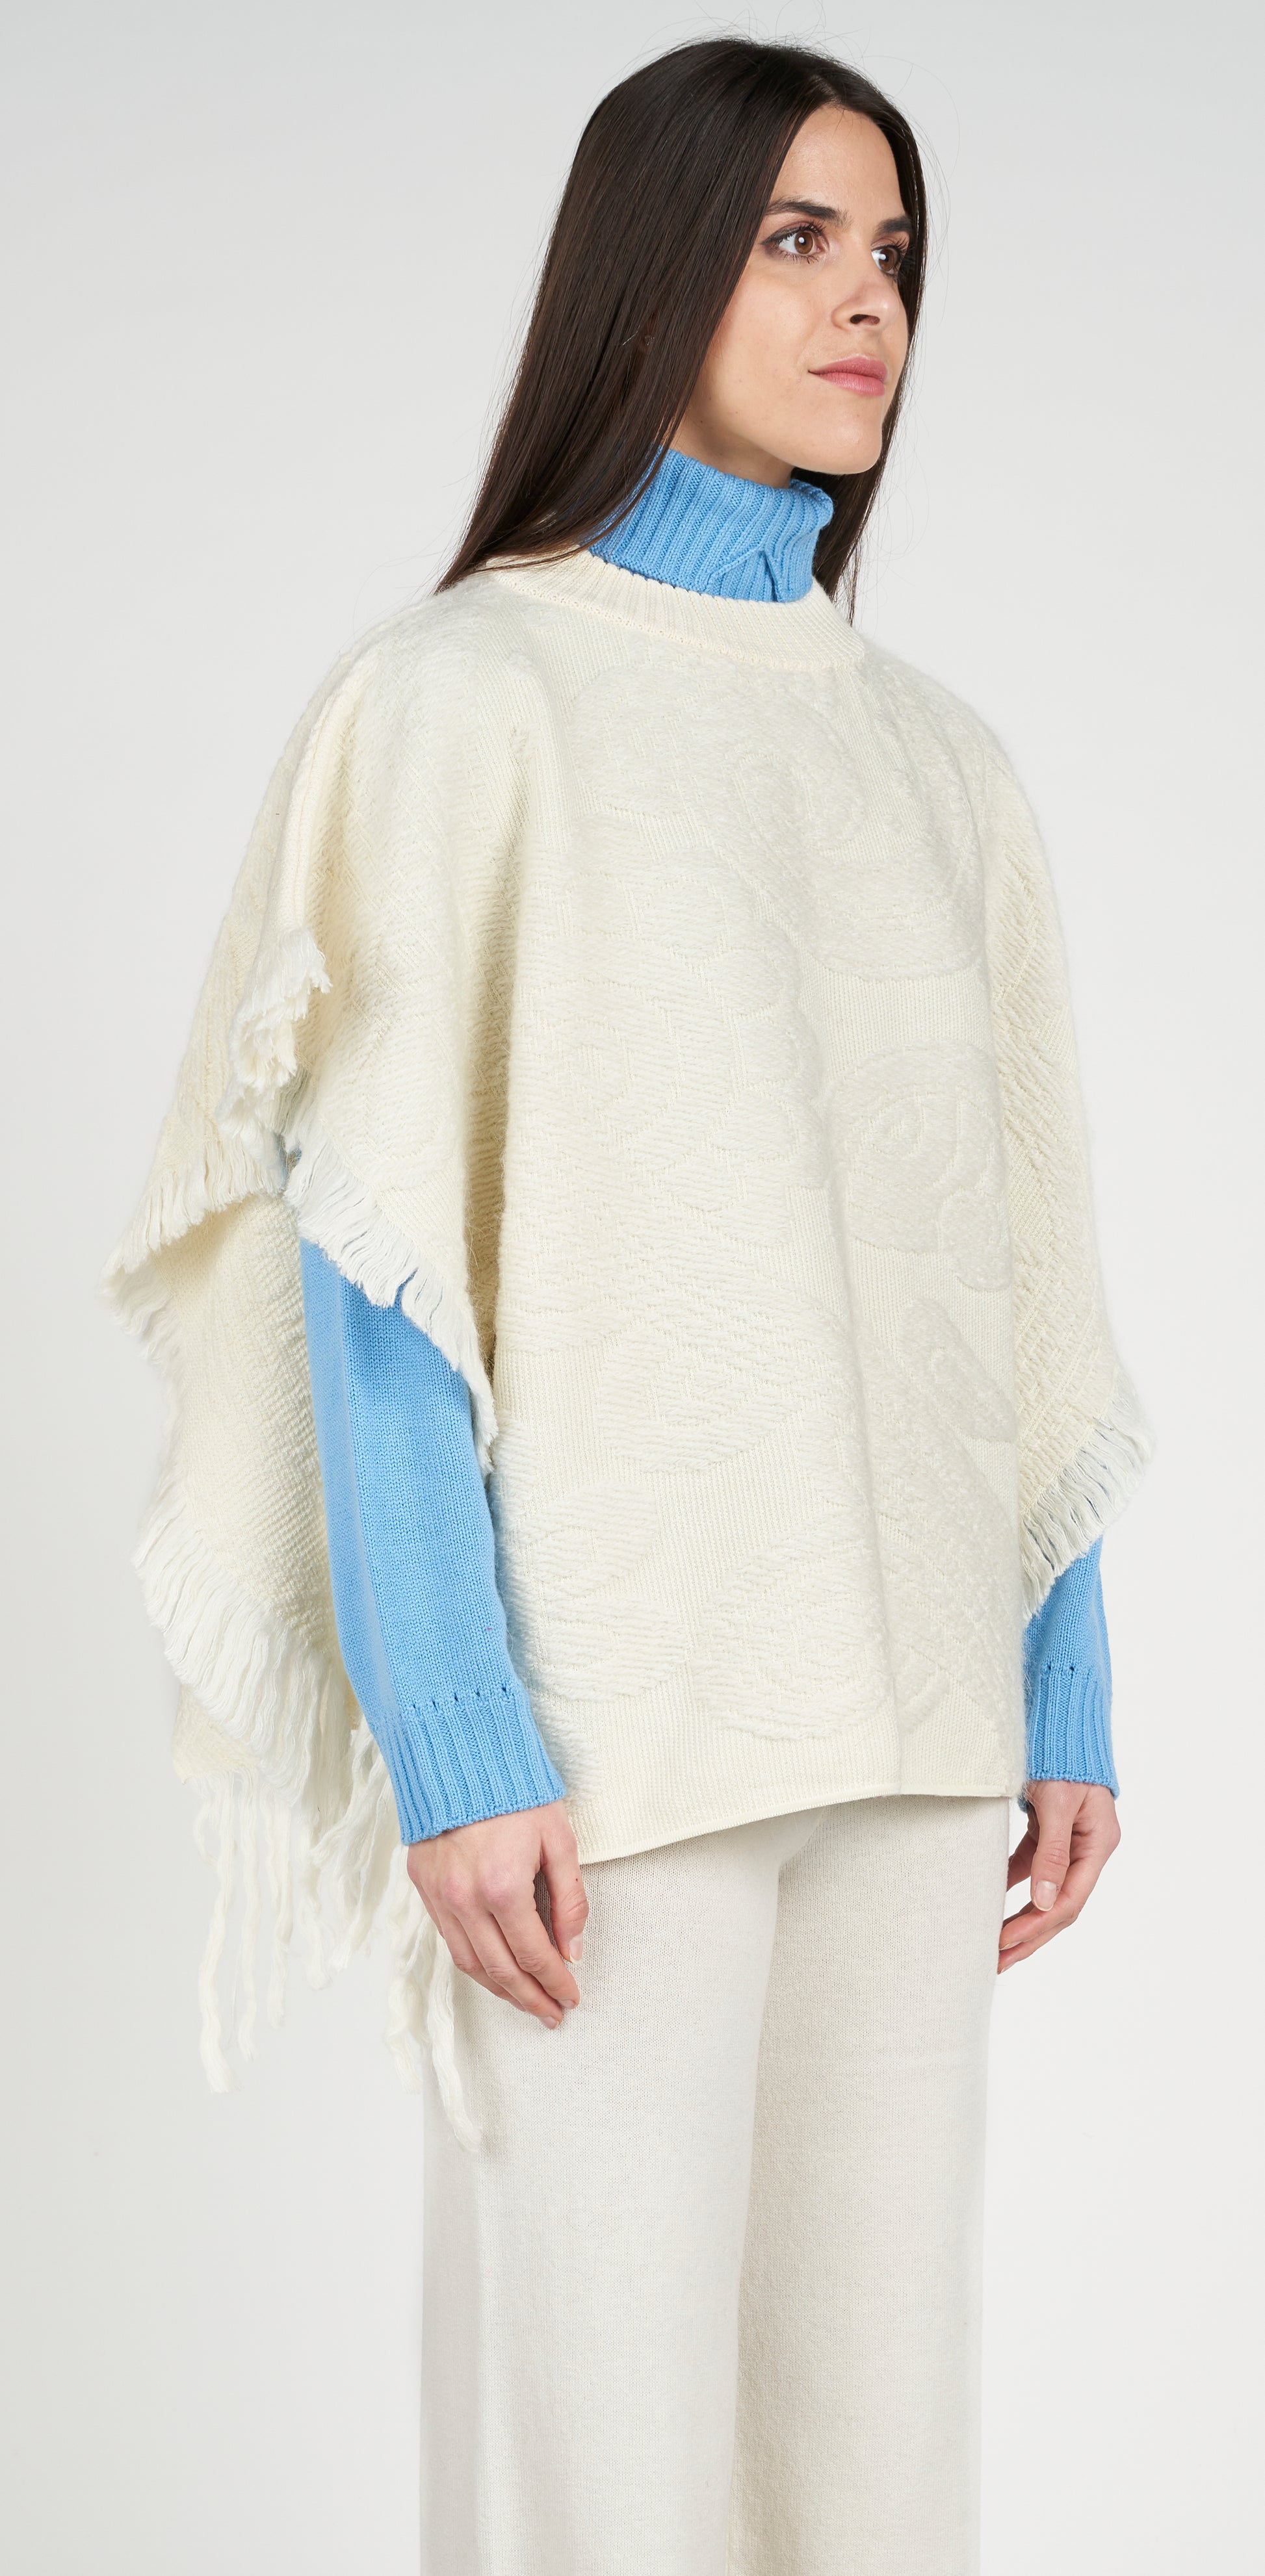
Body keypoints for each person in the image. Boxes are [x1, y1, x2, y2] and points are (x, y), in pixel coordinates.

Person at [107, 36, 1150, 2575]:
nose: (865, 302)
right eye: (795, 240)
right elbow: (380, 1252)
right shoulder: (462, 704)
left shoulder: (938, 764)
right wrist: (455, 1734)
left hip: (913, 1732)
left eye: (891, 251)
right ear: (649, 268)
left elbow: (999, 1252)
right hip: (611, 1740)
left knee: (873, 2469)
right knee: (596, 2478)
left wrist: (1060, 1675)